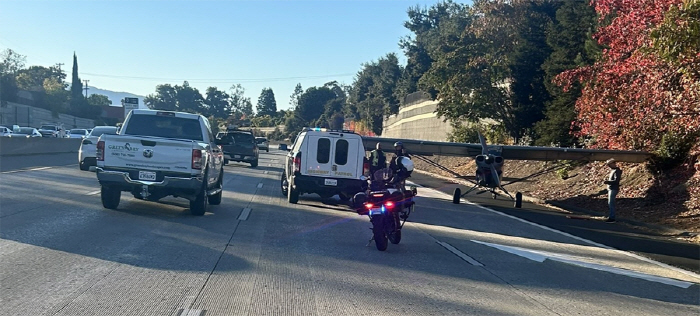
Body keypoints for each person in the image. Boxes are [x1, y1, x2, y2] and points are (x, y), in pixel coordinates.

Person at [603, 158, 622, 223]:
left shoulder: (617, 171)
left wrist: (608, 182)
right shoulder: (613, 170)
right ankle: (611, 216)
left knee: (611, 203)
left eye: (610, 164)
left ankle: (612, 217)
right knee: (610, 203)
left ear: (613, 163)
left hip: (613, 188)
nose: (609, 166)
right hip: (611, 188)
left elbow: (616, 181)